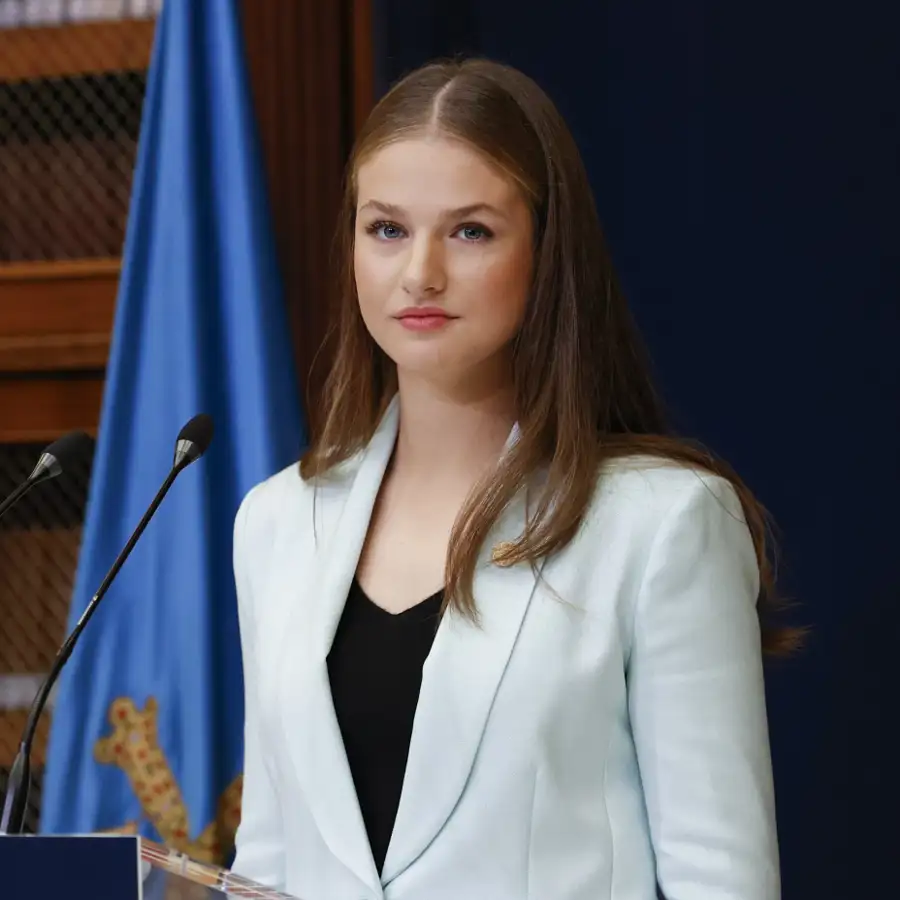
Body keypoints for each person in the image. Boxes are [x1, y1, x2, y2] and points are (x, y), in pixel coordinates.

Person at [230, 57, 796, 900]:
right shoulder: (277, 521)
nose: (419, 272)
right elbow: (267, 866)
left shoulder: (662, 522)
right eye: (386, 228)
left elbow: (722, 880)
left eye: (470, 231)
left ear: (546, 250)